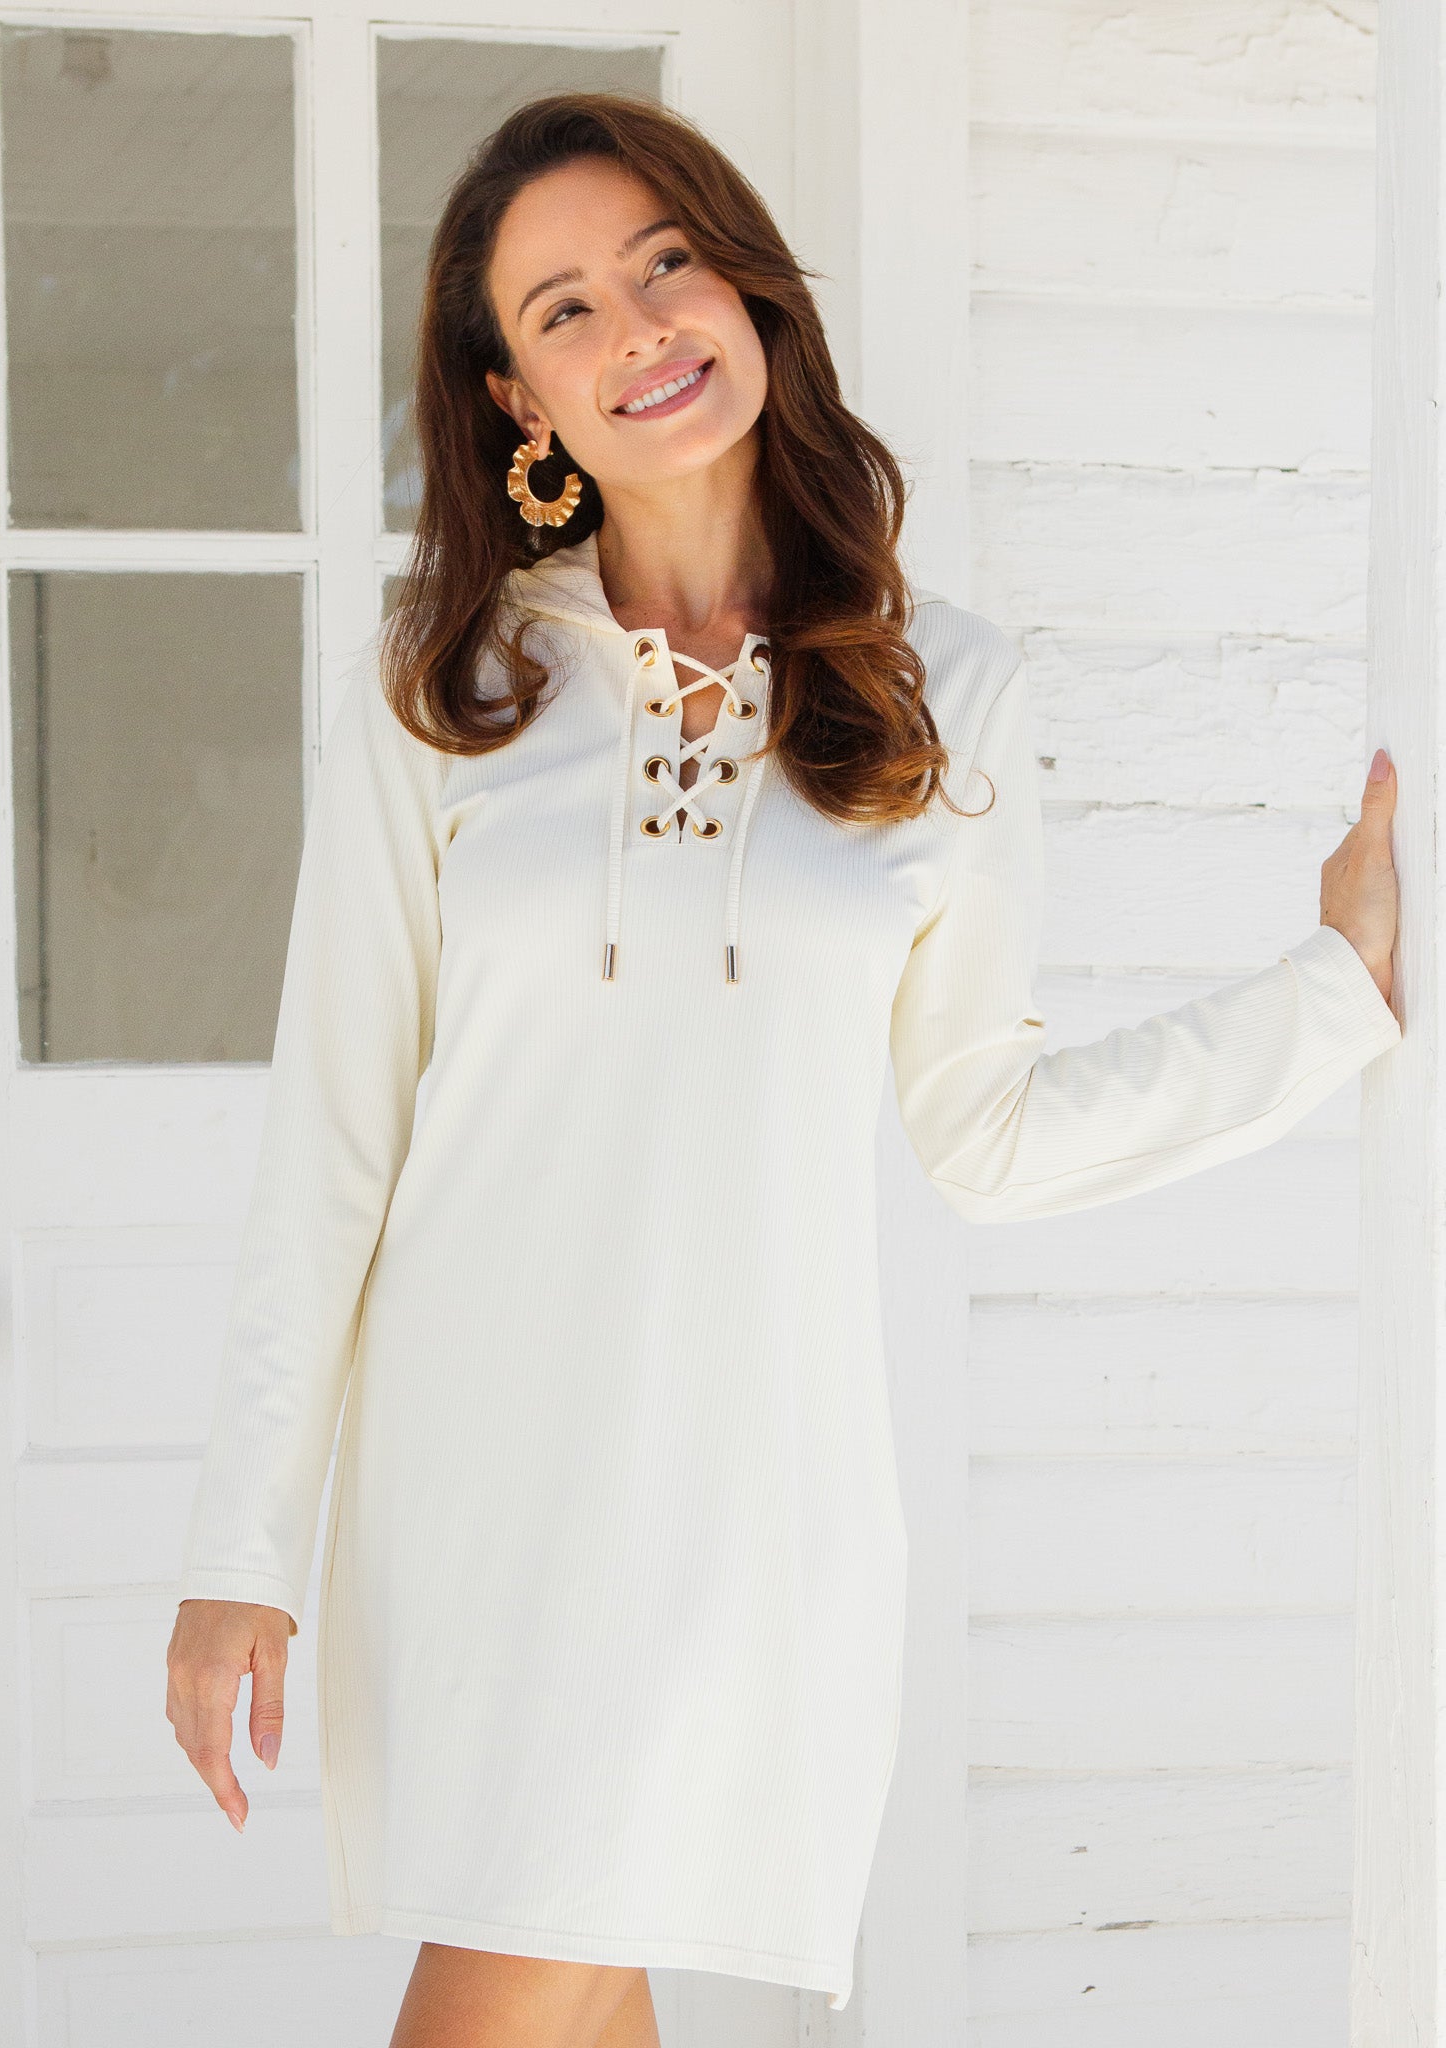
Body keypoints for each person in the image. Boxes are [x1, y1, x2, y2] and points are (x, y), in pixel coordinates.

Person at [164, 92, 1402, 2048]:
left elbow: (989, 1131)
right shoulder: (448, 693)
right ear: (518, 402)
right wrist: (242, 1547)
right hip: (477, 1499)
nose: (638, 325)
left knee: (551, 1970)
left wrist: (1334, 993)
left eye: (666, 261)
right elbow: (331, 1147)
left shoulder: (943, 689)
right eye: (565, 307)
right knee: (571, 1979)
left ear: (747, 288)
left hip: (751, 1504)